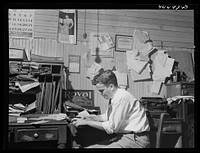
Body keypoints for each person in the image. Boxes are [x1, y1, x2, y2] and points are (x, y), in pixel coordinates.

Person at [72, 69, 150, 148]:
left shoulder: (121, 98)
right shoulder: (116, 97)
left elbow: (111, 128)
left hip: (136, 140)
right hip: (127, 137)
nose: (101, 94)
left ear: (111, 86)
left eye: (102, 90)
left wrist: (87, 122)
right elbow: (108, 116)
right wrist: (92, 118)